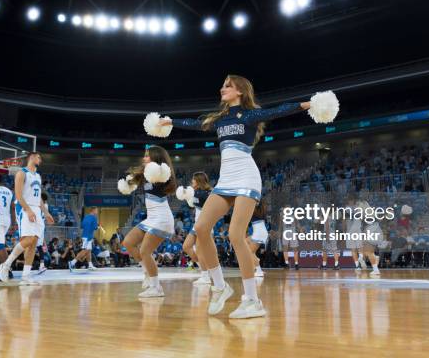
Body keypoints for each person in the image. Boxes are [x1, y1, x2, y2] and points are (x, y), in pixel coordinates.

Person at [157, 75, 334, 318]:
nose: (222, 88)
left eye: (227, 85)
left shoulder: (249, 115)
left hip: (247, 178)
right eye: (222, 85)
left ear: (240, 91)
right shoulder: (219, 119)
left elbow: (278, 111)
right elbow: (194, 123)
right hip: (226, 180)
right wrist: (169, 122)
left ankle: (252, 300)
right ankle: (220, 287)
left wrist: (309, 104)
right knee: (201, 228)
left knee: (235, 235)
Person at [119, 145, 177, 298]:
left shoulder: (161, 175)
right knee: (128, 242)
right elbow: (131, 181)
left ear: (156, 158)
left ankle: (156, 287)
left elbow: (167, 181)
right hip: (151, 218)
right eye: (144, 155)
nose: (144, 158)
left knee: (145, 251)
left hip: (162, 218)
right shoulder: (145, 174)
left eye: (147, 156)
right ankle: (147, 271)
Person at [0, 152, 54, 284]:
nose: (40, 159)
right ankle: (6, 265)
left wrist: (46, 212)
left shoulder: (38, 176)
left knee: (34, 243)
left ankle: (25, 276)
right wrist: (28, 210)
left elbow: (38, 197)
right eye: (38, 157)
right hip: (24, 208)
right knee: (28, 240)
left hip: (36, 209)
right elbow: (18, 195)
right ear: (31, 157)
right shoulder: (21, 173)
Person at [180, 171, 212, 286]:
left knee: (199, 250)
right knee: (186, 246)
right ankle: (205, 269)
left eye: (193, 179)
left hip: (204, 224)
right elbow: (191, 203)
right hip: (197, 224)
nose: (191, 181)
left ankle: (205, 275)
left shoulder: (205, 193)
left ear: (198, 181)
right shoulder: (198, 193)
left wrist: (187, 194)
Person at [245, 199, 269, 277]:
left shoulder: (252, 210)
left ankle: (259, 271)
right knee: (245, 241)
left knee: (250, 253)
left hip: (259, 233)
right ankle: (256, 260)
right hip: (261, 232)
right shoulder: (261, 211)